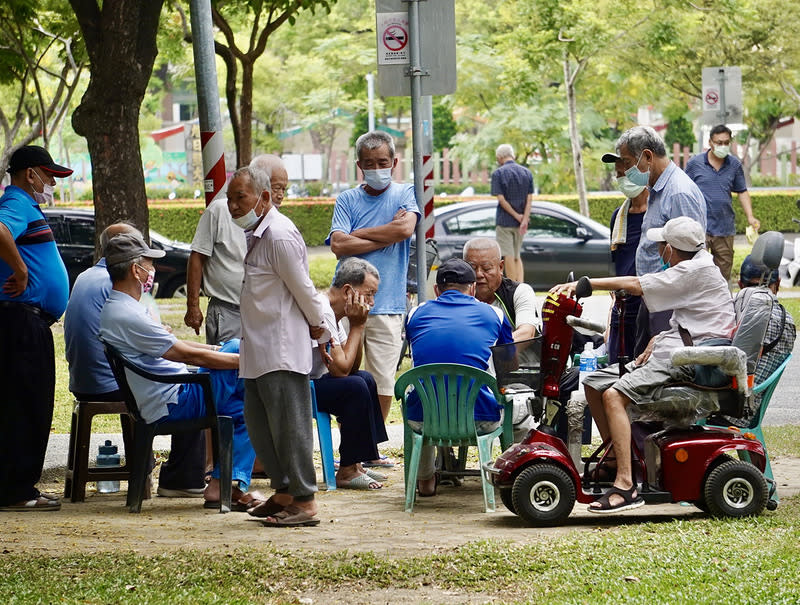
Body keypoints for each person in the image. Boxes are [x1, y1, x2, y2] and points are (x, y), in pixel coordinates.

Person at [550, 217, 735, 513]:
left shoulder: (692, 270)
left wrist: (584, 284)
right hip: (680, 350)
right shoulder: (698, 264)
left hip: (694, 361)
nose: (660, 250)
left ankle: (626, 486)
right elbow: (700, 319)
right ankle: (614, 463)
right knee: (595, 384)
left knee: (614, 395)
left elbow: (636, 284)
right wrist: (660, 337)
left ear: (672, 250)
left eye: (663, 245)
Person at [98, 232, 260, 510]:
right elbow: (183, 354)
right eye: (149, 264)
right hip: (174, 400)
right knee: (242, 365)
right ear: (135, 270)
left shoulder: (122, 308)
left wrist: (217, 351)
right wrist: (249, 363)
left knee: (246, 407)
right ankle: (226, 485)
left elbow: (178, 345)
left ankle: (223, 486)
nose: (152, 270)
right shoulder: (127, 313)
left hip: (175, 391)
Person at [65, 223, 207, 498]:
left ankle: (183, 476)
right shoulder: (115, 285)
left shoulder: (86, 276)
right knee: (191, 388)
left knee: (185, 377)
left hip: (87, 378)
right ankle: (184, 478)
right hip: (111, 381)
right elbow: (154, 335)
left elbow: (147, 330)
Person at [231, 165, 327, 528]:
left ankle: (304, 501)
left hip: (281, 350)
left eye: (240, 197)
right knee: (262, 429)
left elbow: (304, 290)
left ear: (264, 197)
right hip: (257, 350)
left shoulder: (280, 235)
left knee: (290, 429)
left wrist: (320, 330)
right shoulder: (257, 234)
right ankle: (285, 492)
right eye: (230, 199)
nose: (233, 206)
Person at [327, 130, 419, 422]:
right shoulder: (347, 199)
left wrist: (360, 234)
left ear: (394, 162)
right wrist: (386, 235)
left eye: (382, 162)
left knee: (383, 380)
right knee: (346, 375)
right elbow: (338, 245)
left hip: (388, 302)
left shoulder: (405, 193)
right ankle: (351, 442)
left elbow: (405, 230)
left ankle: (374, 446)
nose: (376, 169)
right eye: (369, 163)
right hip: (347, 302)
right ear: (359, 165)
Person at [0, 145, 72, 512]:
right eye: (50, 177)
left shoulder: (26, 206)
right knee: (26, 406)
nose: (51, 184)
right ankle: (16, 490)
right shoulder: (17, 203)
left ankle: (16, 485)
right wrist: (22, 270)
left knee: (24, 404)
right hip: (21, 321)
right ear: (31, 174)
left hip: (26, 321)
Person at [404, 258, 514, 497]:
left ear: (436, 290)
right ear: (473, 289)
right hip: (480, 419)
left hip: (424, 420)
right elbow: (509, 361)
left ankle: (424, 481)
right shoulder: (494, 314)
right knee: (515, 405)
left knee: (424, 397)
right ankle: (508, 474)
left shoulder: (414, 314)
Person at [601, 126, 706, 356]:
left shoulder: (678, 193)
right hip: (652, 302)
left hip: (668, 309)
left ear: (648, 156)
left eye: (628, 163)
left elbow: (691, 264)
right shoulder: (658, 190)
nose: (625, 172)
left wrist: (671, 327)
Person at [310, 258, 389, 491]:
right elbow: (341, 369)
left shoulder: (337, 314)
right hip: (299, 386)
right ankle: (346, 471)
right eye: (369, 294)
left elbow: (352, 367)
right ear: (348, 291)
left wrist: (356, 325)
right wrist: (358, 326)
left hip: (317, 382)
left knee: (365, 379)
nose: (372, 302)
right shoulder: (322, 310)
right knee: (355, 387)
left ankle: (358, 463)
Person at [724, 255, 796, 425]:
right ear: (777, 284)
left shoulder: (736, 311)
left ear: (740, 285)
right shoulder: (789, 322)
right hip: (751, 408)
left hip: (727, 410)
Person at [685, 125, 760, 281]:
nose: (723, 146)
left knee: (723, 276)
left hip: (724, 228)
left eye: (726, 142)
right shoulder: (695, 164)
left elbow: (742, 191)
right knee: (698, 273)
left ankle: (723, 304)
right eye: (719, 142)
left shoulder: (734, 165)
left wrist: (750, 216)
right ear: (710, 142)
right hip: (699, 228)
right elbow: (684, 191)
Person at [600, 154, 650, 363]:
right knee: (615, 370)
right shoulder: (618, 217)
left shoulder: (657, 213)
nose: (622, 179)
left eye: (626, 173)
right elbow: (617, 265)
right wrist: (612, 311)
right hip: (622, 309)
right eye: (618, 174)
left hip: (648, 308)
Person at [463, 237, 538, 341]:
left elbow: (527, 333)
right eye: (472, 268)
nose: (479, 274)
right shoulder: (459, 296)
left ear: (501, 267)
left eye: (486, 268)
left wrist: (488, 350)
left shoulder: (520, 292)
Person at [491, 143, 534, 283]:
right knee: (517, 255)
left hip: (505, 222)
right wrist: (524, 219)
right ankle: (521, 285)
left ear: (499, 157)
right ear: (512, 155)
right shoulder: (527, 173)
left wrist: (516, 216)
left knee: (508, 255)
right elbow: (529, 198)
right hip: (521, 224)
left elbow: (501, 199)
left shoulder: (498, 173)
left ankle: (513, 286)